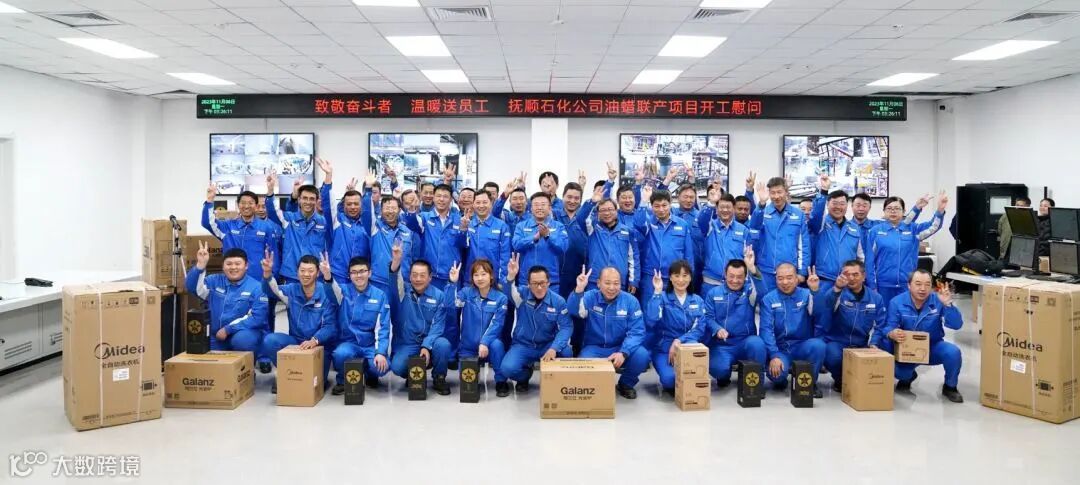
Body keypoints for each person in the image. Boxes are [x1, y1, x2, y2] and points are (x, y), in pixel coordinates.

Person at [879, 270, 964, 403]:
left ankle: (950, 387)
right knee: (900, 371)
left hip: (932, 346)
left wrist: (948, 305)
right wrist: (892, 333)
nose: (923, 289)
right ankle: (908, 376)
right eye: (918, 284)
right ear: (909, 285)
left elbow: (956, 325)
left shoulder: (938, 300)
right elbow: (888, 327)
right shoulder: (897, 302)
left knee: (953, 352)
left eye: (927, 284)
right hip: (907, 349)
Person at [260, 253, 337, 393]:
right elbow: (270, 291)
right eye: (302, 270)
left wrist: (314, 340)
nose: (306, 274)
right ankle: (287, 373)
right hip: (297, 342)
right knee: (270, 340)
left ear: (318, 273)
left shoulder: (326, 293)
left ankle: (303, 376)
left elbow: (330, 326)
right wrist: (267, 273)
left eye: (310, 271)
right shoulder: (291, 290)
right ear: (297, 272)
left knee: (315, 384)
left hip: (320, 345)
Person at [568, 266, 648, 399]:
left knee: (642, 355)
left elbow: (637, 331)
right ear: (598, 283)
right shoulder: (590, 297)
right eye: (607, 283)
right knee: (585, 368)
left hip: (620, 347)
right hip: (594, 348)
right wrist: (579, 289)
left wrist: (624, 352)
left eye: (616, 283)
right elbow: (573, 311)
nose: (612, 287)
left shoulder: (630, 301)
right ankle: (598, 385)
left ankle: (625, 384)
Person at [186, 244, 269, 368]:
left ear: (246, 266)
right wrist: (200, 265)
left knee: (243, 340)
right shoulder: (213, 281)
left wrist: (228, 329)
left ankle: (246, 372)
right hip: (216, 336)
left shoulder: (257, 288)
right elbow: (192, 288)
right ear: (223, 266)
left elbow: (257, 318)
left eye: (237, 264)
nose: (233, 267)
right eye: (229, 264)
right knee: (209, 368)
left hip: (242, 334)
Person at [500, 259, 573, 393]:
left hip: (547, 344)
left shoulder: (558, 301)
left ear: (548, 282)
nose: (539, 287)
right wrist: (511, 276)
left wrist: (554, 348)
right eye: (534, 283)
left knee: (567, 352)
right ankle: (525, 376)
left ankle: (555, 380)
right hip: (523, 344)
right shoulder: (521, 295)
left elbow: (566, 327)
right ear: (528, 284)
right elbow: (507, 291)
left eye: (542, 283)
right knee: (507, 369)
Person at [696, 253, 767, 389]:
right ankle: (724, 376)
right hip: (722, 345)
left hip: (745, 342)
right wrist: (717, 329)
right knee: (718, 369)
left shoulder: (749, 292)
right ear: (725, 274)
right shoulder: (713, 293)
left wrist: (752, 269)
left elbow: (763, 293)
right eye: (731, 276)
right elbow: (708, 317)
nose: (735, 280)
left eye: (739, 277)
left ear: (745, 277)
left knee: (757, 344)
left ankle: (757, 385)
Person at [388, 253, 454, 396]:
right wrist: (396, 262)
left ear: (430, 277)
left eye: (422, 275)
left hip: (431, 342)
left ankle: (439, 377)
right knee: (397, 366)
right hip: (409, 344)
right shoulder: (403, 292)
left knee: (443, 344)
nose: (418, 279)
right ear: (410, 276)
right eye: (414, 275)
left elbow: (438, 326)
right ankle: (414, 375)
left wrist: (426, 345)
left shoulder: (439, 296)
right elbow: (394, 279)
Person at [324, 256, 391, 395]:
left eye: (362, 271)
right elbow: (331, 291)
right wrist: (328, 277)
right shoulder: (343, 291)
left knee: (381, 367)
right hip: (348, 343)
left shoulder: (380, 296)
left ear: (369, 273)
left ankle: (369, 373)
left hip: (369, 345)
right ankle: (343, 380)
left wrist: (380, 352)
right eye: (354, 272)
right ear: (349, 275)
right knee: (340, 354)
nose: (358, 275)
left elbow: (383, 328)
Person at [865, 193, 947, 305]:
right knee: (884, 315)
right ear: (884, 211)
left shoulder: (913, 230)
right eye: (889, 208)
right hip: (883, 285)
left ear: (904, 211)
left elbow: (933, 226)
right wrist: (872, 286)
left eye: (897, 208)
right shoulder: (875, 231)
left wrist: (940, 210)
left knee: (906, 314)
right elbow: (869, 261)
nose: (893, 211)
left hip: (907, 285)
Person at [759, 263, 826, 398]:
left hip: (802, 346)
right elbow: (766, 330)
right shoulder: (768, 299)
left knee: (818, 346)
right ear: (776, 279)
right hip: (780, 349)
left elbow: (819, 314)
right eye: (780, 278)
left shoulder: (807, 295)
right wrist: (774, 355)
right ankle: (781, 381)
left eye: (789, 278)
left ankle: (810, 383)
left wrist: (815, 292)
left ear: (797, 279)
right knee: (776, 375)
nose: (785, 282)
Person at [644, 260, 710, 393]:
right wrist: (657, 291)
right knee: (670, 380)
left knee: (692, 372)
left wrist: (680, 340)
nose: (681, 280)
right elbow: (651, 320)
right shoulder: (662, 298)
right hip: (664, 349)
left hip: (687, 345)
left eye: (685, 275)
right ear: (670, 277)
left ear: (690, 278)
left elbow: (700, 328)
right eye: (676, 275)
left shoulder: (697, 300)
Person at [820, 260, 887, 392]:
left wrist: (874, 343)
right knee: (833, 356)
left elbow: (881, 325)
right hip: (837, 342)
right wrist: (837, 288)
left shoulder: (876, 298)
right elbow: (826, 305)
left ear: (864, 276)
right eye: (847, 274)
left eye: (855, 274)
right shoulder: (837, 293)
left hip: (862, 344)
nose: (851, 278)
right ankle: (841, 380)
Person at [447, 259, 510, 396]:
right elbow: (451, 306)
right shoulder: (465, 294)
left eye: (483, 274)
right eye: (476, 275)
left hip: (489, 346)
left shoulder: (501, 298)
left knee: (497, 345)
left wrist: (484, 342)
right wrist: (452, 283)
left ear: (491, 276)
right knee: (468, 386)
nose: (480, 278)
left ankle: (501, 381)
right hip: (468, 347)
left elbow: (497, 324)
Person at [749, 177, 811, 296]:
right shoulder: (763, 211)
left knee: (789, 305)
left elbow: (804, 246)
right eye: (773, 193)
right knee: (766, 303)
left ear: (786, 192)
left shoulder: (798, 215)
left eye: (779, 192)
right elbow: (754, 228)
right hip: (766, 271)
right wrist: (761, 204)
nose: (776, 196)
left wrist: (802, 272)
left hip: (789, 273)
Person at [200, 185, 275, 282]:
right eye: (243, 203)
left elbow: (273, 255)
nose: (246, 206)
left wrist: (272, 279)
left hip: (257, 281)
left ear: (256, 206)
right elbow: (207, 223)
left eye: (250, 203)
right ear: (238, 205)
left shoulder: (266, 227)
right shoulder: (228, 227)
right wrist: (209, 200)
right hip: (232, 280)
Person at [264, 175, 329, 285]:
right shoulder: (289, 218)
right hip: (292, 275)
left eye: (312, 199)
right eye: (305, 198)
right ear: (299, 200)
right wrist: (270, 191)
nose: (308, 202)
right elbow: (272, 211)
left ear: (317, 201)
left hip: (316, 275)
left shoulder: (324, 222)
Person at [635, 188, 696, 303]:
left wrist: (689, 277)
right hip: (650, 276)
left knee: (672, 310)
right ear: (651, 206)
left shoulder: (682, 224)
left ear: (670, 204)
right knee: (650, 309)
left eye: (664, 205)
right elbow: (638, 224)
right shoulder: (648, 223)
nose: (661, 209)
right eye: (657, 206)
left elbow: (688, 254)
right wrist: (643, 201)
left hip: (675, 276)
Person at [807, 175, 863, 295]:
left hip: (848, 281)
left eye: (842, 203)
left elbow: (860, 257)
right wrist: (824, 191)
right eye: (835, 203)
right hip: (824, 281)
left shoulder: (854, 228)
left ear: (847, 206)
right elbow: (816, 215)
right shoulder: (821, 224)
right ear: (827, 204)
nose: (838, 207)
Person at [316, 159, 369, 286]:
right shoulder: (337, 221)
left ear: (361, 205)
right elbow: (328, 205)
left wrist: (369, 188)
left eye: (356, 204)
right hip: (338, 276)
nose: (352, 207)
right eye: (349, 204)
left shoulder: (368, 226)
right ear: (343, 205)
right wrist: (328, 177)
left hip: (360, 278)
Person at [360, 178, 415, 299]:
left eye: (393, 208)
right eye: (386, 208)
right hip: (379, 283)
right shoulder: (375, 228)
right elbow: (366, 212)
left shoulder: (408, 231)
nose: (390, 211)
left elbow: (414, 258)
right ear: (381, 210)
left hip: (403, 284)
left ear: (399, 210)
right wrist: (368, 189)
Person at [404, 183, 464, 292]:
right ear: (434, 198)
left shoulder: (459, 220)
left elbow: (463, 245)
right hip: (429, 276)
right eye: (438, 196)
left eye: (445, 196)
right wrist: (412, 210)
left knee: (450, 302)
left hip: (451, 275)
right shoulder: (424, 217)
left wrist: (463, 230)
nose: (441, 199)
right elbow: (412, 225)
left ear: (451, 199)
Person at [512, 192, 569, 293]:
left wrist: (548, 236)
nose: (539, 208)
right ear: (531, 208)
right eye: (536, 205)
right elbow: (516, 245)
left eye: (543, 204)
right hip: (526, 281)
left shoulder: (558, 226)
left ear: (550, 208)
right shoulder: (521, 226)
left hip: (551, 282)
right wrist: (533, 238)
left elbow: (563, 247)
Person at [698, 193, 752, 296]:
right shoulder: (710, 226)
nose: (725, 210)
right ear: (717, 209)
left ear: (734, 208)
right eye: (722, 207)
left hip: (736, 283)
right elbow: (701, 221)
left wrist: (746, 282)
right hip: (711, 283)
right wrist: (711, 203)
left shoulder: (743, 230)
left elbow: (748, 257)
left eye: (728, 207)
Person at [461, 190, 512, 287]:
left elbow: (505, 256)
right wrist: (463, 229)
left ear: (491, 203)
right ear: (473, 204)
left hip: (493, 280)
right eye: (478, 202)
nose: (481, 206)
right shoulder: (467, 224)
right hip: (471, 279)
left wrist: (502, 280)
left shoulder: (501, 226)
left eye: (485, 202)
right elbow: (461, 248)